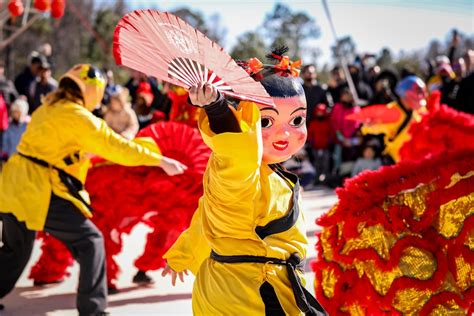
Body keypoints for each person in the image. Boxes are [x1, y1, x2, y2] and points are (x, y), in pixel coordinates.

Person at [0, 64, 186, 316]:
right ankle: (93, 311)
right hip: (39, 189)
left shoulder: (48, 107)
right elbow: (119, 147)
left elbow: (49, 147)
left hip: (13, 184)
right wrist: (161, 160)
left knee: (16, 248)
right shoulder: (80, 117)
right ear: (92, 92)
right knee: (90, 241)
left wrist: (79, 153)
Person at [162, 48, 327, 315]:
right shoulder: (242, 168)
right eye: (265, 121)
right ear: (246, 121)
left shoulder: (268, 172)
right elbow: (238, 149)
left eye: (297, 120)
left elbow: (205, 219)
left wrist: (181, 255)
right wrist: (217, 109)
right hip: (250, 293)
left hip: (238, 287)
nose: (284, 133)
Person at [307, 103, 332, 184]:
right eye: (318, 112)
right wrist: (312, 142)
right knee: (316, 163)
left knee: (326, 163)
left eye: (321, 112)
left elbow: (331, 134)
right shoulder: (313, 123)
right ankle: (316, 179)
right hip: (316, 147)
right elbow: (310, 134)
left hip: (325, 147)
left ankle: (326, 179)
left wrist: (329, 142)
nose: (320, 114)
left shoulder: (327, 123)